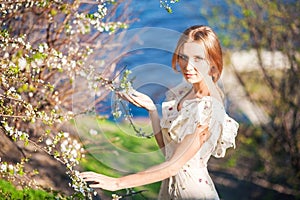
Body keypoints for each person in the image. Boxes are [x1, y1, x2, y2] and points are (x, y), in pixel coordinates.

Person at [80, 25, 239, 199]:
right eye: (183, 57)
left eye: (198, 58)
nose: (188, 66)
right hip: (170, 189)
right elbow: (168, 151)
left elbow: (174, 165)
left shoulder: (207, 110)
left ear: (212, 63)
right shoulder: (185, 91)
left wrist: (117, 183)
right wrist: (152, 110)